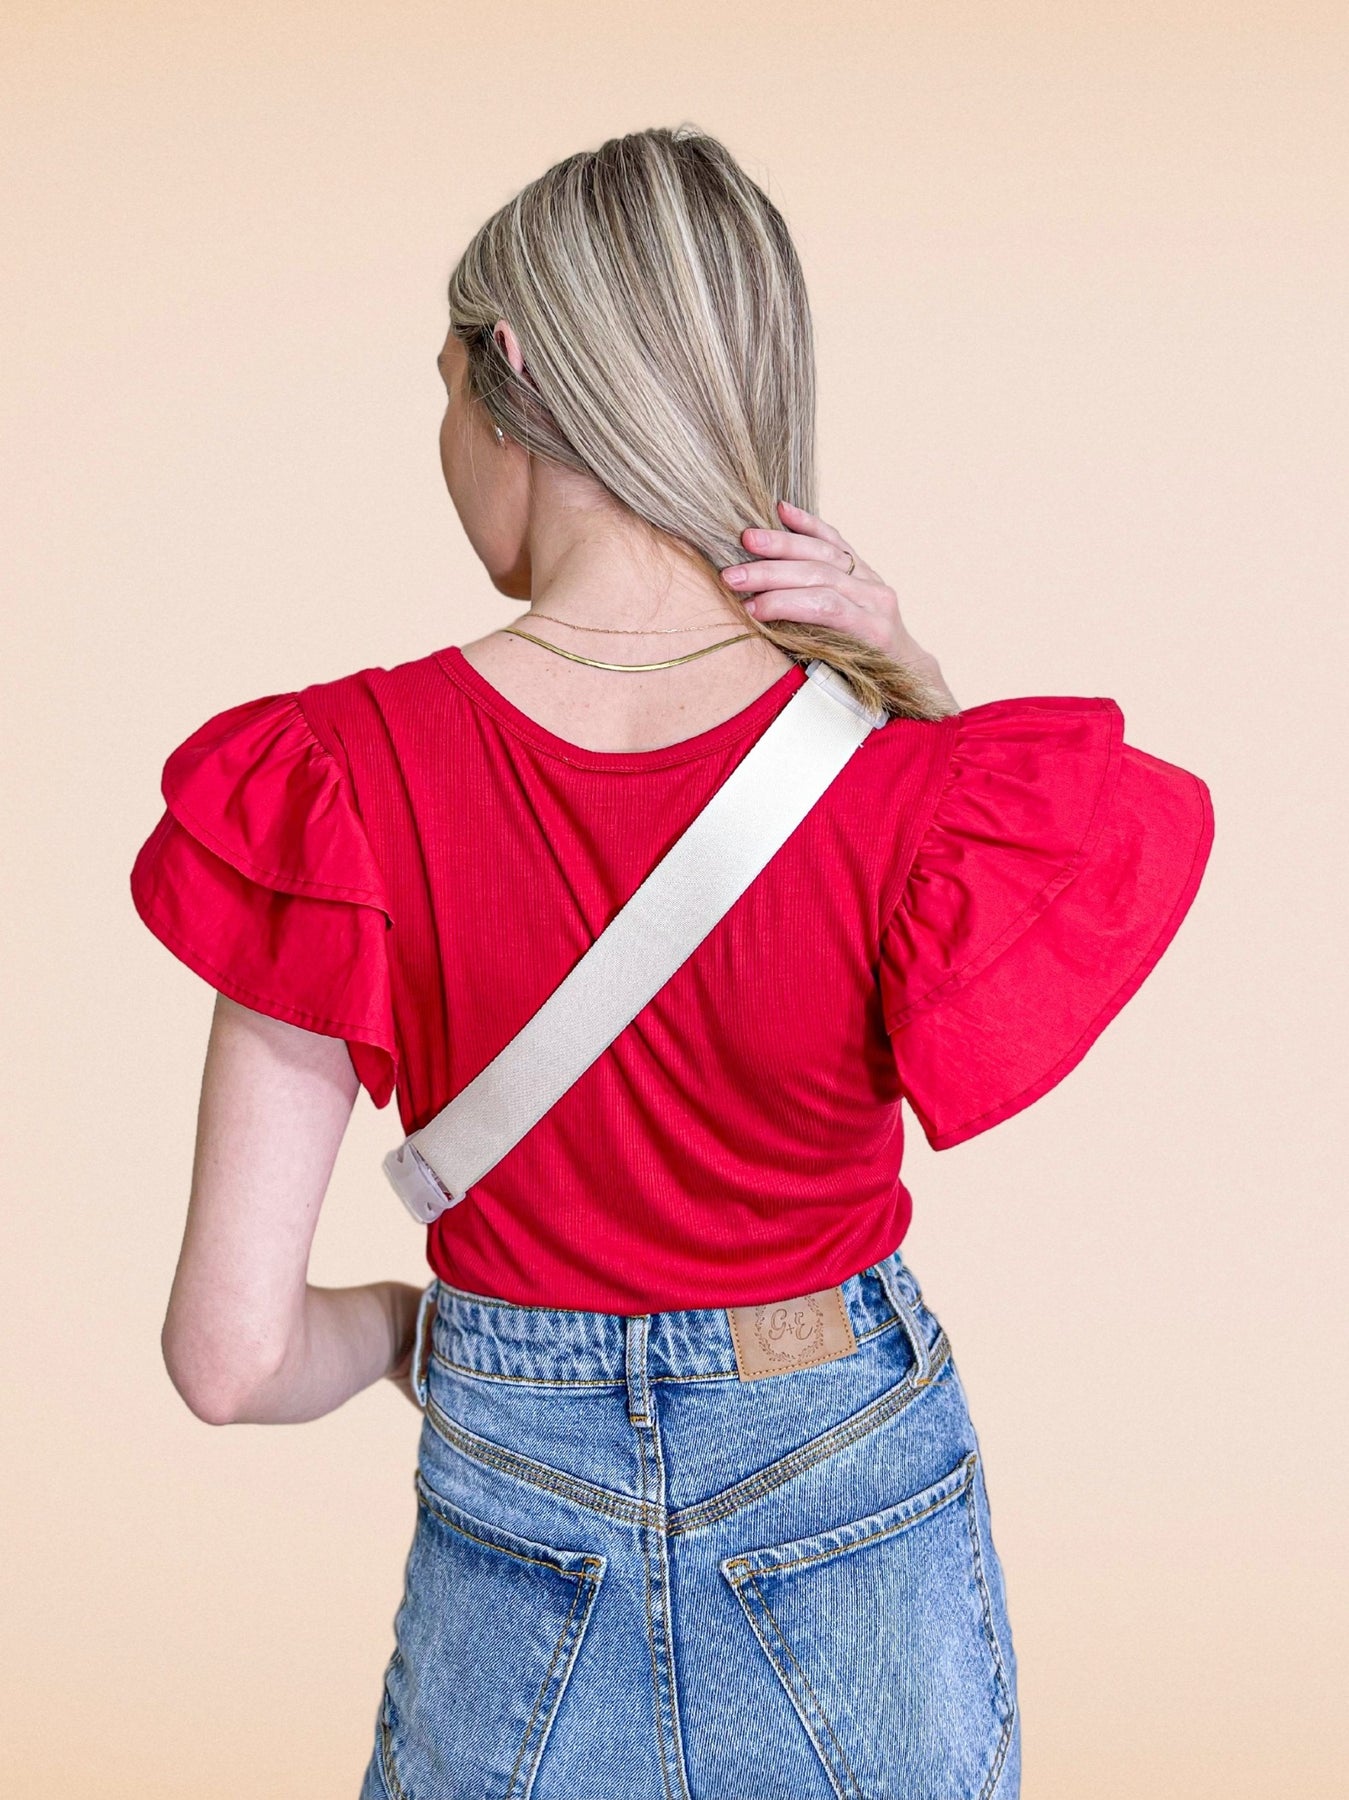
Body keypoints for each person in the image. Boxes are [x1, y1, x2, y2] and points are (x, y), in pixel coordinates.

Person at [128, 125, 1214, 1800]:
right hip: (841, 1451)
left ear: (506, 370)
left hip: (512, 1469)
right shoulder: (906, 781)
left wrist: (430, 1338)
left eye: (442, 389)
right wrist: (906, 682)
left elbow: (230, 1358)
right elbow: (1023, 943)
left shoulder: (330, 780)